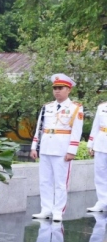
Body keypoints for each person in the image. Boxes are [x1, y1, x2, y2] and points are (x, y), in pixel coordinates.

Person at [31, 74, 83, 222]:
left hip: (62, 148)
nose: (57, 91)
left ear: (68, 90)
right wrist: (35, 146)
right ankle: (46, 208)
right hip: (46, 146)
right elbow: (39, 128)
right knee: (44, 180)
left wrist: (71, 150)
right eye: (55, 88)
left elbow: (76, 131)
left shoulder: (75, 108)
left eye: (60, 88)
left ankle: (58, 210)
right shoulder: (47, 107)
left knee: (61, 182)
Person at [87, 100, 107, 212]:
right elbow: (96, 126)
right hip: (101, 143)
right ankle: (102, 202)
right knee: (100, 174)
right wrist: (91, 144)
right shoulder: (102, 107)